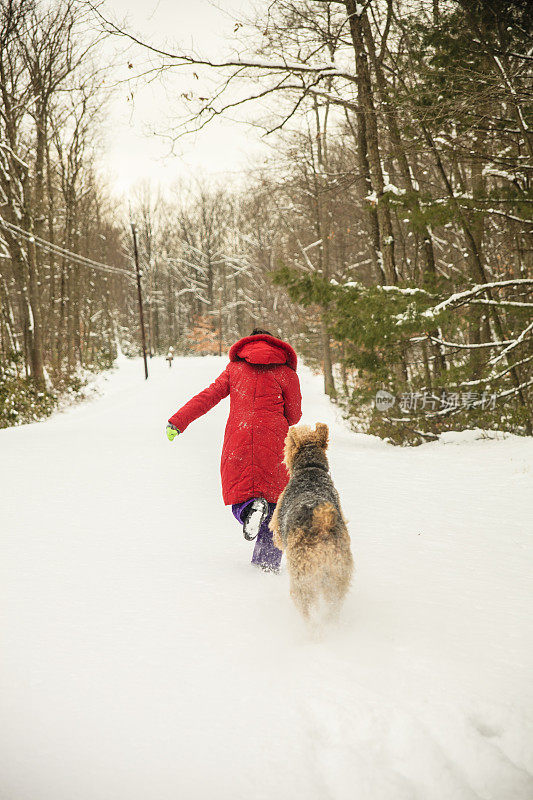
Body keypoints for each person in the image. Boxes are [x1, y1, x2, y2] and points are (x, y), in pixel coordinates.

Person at [166, 328, 302, 573]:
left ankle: (249, 510)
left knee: (242, 492)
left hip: (240, 437)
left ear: (248, 344)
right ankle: (265, 569)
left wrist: (178, 421)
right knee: (275, 506)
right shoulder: (286, 373)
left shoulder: (235, 370)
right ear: (276, 346)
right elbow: (294, 415)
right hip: (275, 441)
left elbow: (208, 396)